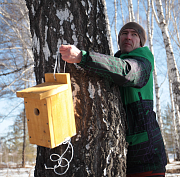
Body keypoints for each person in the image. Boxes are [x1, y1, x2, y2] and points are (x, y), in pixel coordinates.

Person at [59, 22, 167, 177]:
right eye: (124, 33)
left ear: (140, 42)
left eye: (134, 34)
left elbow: (127, 72)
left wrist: (82, 57)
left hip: (147, 156)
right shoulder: (113, 63)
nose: (128, 37)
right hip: (125, 155)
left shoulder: (143, 62)